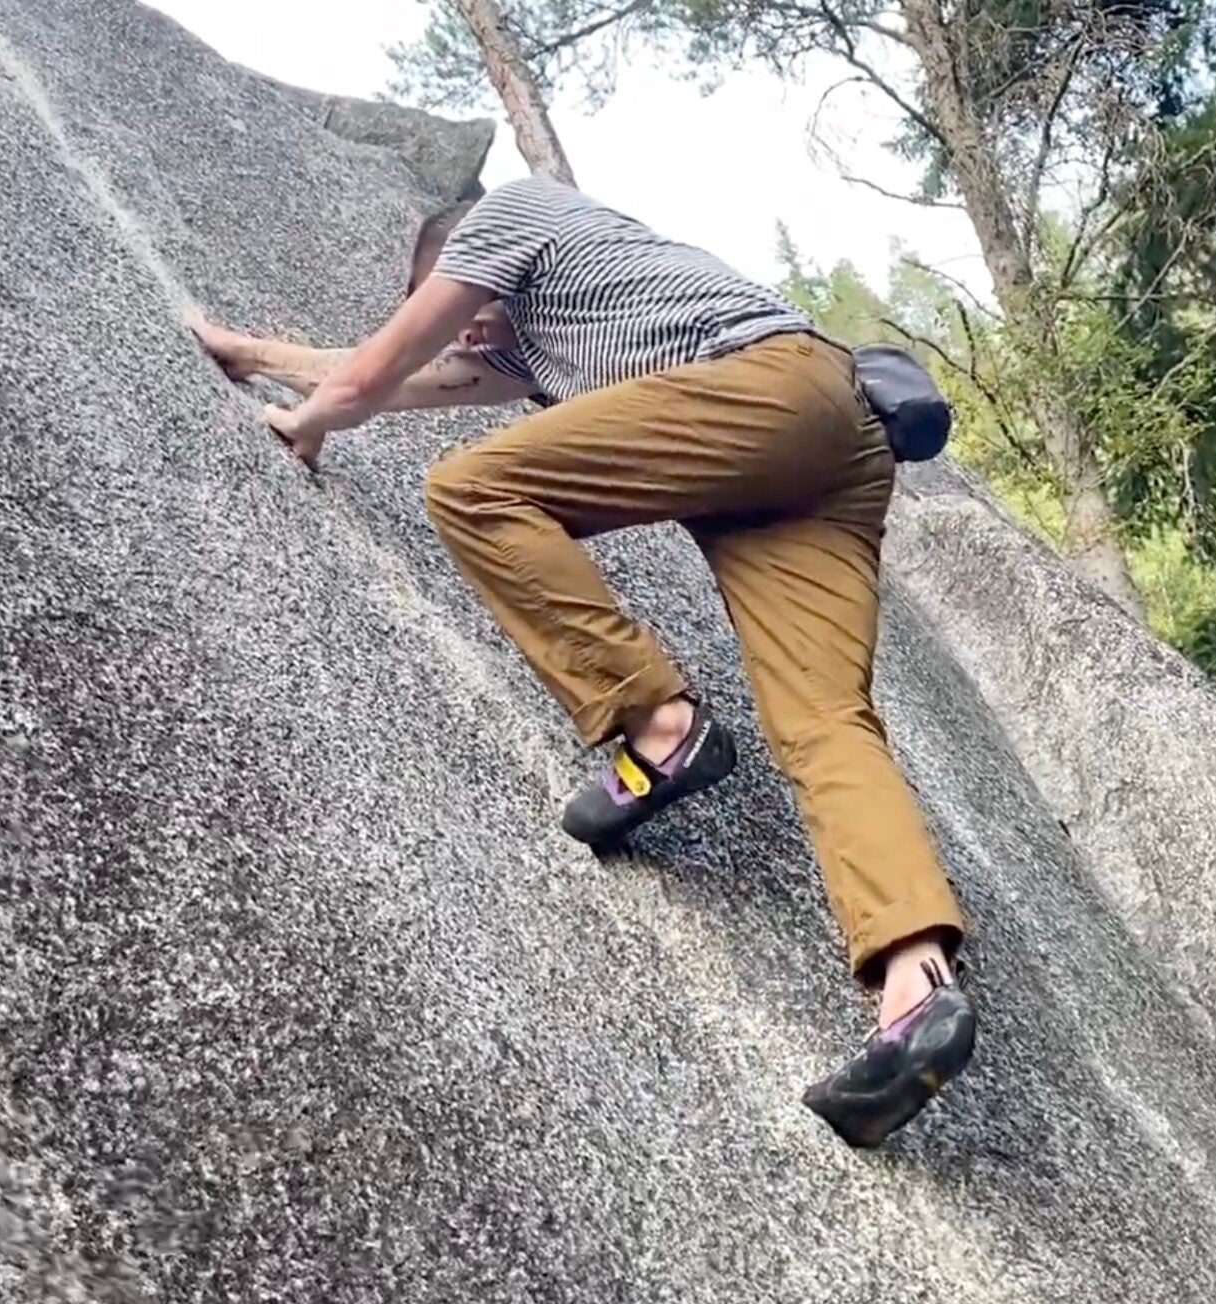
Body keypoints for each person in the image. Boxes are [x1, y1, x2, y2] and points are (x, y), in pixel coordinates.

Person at [186, 175, 976, 1147]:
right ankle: (915, 987)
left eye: (460, 312)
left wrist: (305, 424)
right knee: (825, 722)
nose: (466, 340)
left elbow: (380, 364)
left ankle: (662, 727)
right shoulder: (535, 337)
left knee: (473, 488)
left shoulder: (514, 213)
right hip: (831, 449)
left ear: (463, 264)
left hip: (769, 391)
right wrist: (250, 353)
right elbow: (386, 375)